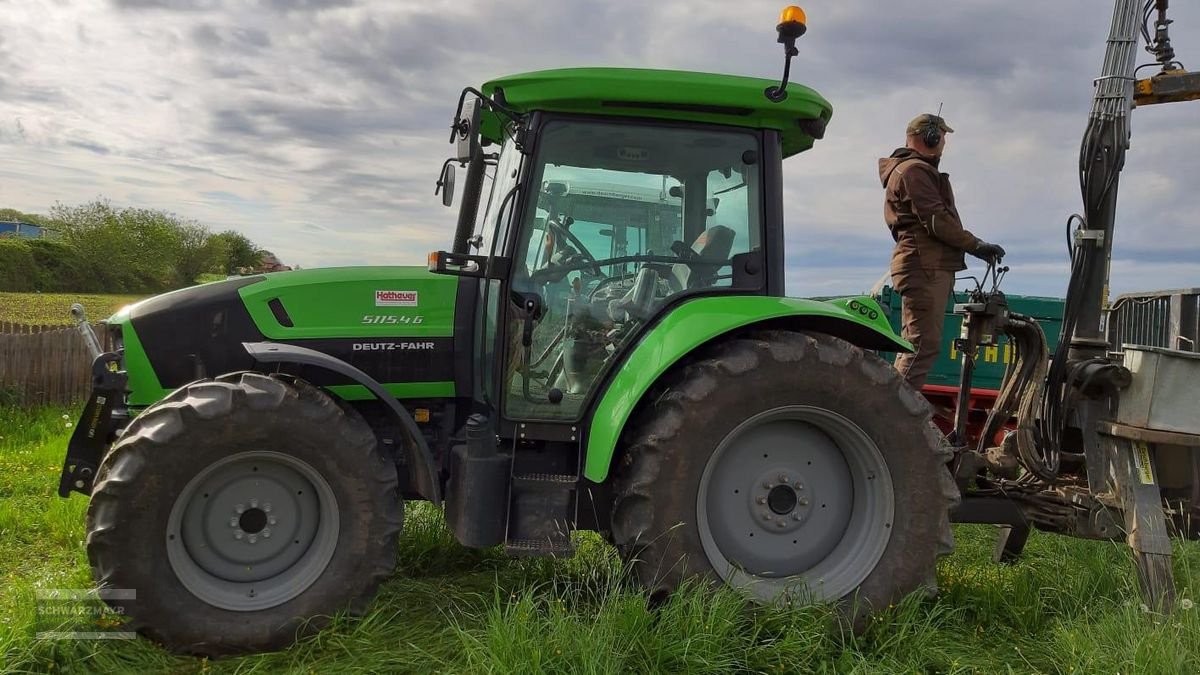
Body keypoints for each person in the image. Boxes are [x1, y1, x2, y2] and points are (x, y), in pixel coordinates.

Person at [879, 113, 1005, 390]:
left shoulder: (912, 170)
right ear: (930, 137)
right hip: (924, 266)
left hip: (925, 265)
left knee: (918, 345)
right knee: (921, 346)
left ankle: (894, 410)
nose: (944, 143)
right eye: (943, 136)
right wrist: (976, 245)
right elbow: (936, 219)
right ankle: (895, 416)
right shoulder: (914, 171)